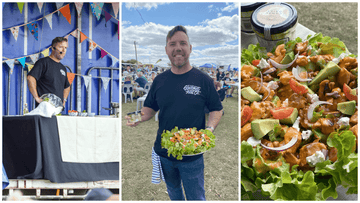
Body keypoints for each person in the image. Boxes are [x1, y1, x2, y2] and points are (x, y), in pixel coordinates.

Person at [125, 25, 223, 200]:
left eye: (183, 43)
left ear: (190, 48)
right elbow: (149, 109)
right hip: (165, 153)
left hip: (192, 156)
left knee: (196, 197)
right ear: (166, 50)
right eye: (172, 44)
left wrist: (209, 130)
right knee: (174, 192)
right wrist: (136, 117)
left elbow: (217, 109)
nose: (178, 48)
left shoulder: (203, 80)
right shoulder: (159, 80)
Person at [27, 37, 70, 107]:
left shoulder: (63, 68)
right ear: (53, 48)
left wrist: (64, 100)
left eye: (65, 48)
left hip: (57, 109)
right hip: (44, 108)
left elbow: (67, 87)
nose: (63, 50)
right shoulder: (43, 63)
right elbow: (30, 78)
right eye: (60, 47)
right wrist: (37, 98)